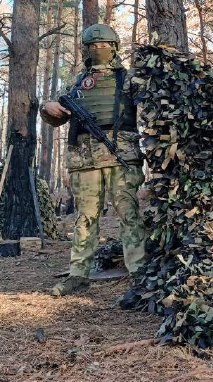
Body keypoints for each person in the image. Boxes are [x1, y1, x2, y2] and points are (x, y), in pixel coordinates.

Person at [40, 24, 147, 297]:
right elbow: (56, 114)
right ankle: (78, 275)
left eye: (104, 45)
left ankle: (139, 273)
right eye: (93, 46)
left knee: (129, 215)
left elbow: (153, 109)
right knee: (85, 219)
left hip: (121, 156)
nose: (98, 50)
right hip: (85, 160)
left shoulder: (130, 80)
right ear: (85, 49)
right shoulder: (76, 83)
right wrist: (47, 108)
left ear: (114, 47)